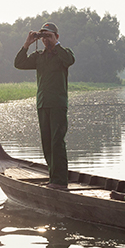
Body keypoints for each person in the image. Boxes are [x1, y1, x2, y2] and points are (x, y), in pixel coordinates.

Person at [14, 22, 75, 189]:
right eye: (43, 36)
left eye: (49, 35)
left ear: (57, 37)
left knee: (57, 142)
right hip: (42, 103)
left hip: (57, 104)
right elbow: (19, 63)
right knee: (47, 142)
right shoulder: (38, 57)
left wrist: (55, 44)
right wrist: (27, 43)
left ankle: (60, 182)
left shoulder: (63, 54)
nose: (46, 39)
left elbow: (70, 60)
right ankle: (53, 178)